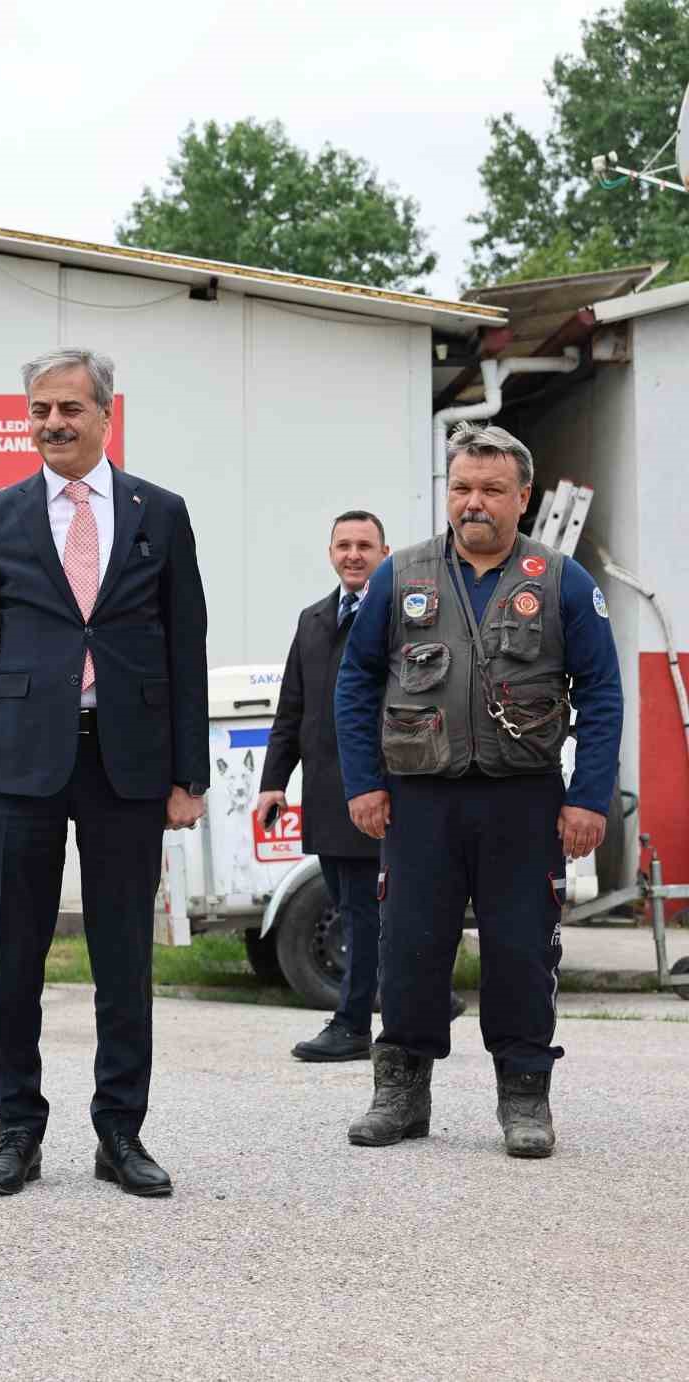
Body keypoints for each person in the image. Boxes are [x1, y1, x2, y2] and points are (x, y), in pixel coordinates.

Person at [0, 348, 209, 1200]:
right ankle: (16, 1130)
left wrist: (189, 775)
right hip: (19, 764)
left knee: (122, 959)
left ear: (105, 414)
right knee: (13, 958)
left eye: (68, 409)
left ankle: (120, 1132)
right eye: (39, 410)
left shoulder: (161, 513)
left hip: (128, 764)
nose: (52, 423)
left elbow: (187, 647)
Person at [335, 422, 622, 1158]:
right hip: (419, 799)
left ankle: (525, 1097)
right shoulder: (400, 576)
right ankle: (401, 1093)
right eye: (462, 487)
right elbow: (356, 682)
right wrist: (363, 783)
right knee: (409, 947)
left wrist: (588, 797)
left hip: (523, 800)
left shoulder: (562, 581)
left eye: (492, 490)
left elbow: (602, 691)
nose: (474, 502)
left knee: (523, 952)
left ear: (522, 497)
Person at [257, 511, 469, 1060]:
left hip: (382, 791)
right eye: (344, 545)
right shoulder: (312, 620)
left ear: (384, 554)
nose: (353, 555)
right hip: (325, 793)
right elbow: (292, 709)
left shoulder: (403, 616)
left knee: (369, 911)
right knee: (358, 906)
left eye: (365, 546)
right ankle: (432, 999)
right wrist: (273, 782)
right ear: (331, 553)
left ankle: (352, 1025)